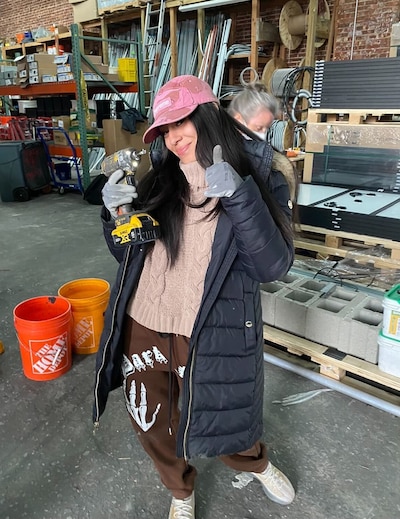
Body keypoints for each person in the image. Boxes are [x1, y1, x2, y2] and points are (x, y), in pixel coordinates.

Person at [94, 75, 296, 519]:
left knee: (225, 412)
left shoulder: (264, 175)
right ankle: (180, 491)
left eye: (181, 121)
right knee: (154, 422)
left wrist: (240, 196)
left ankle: (255, 463)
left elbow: (272, 267)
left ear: (207, 115)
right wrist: (116, 216)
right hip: (144, 322)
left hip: (208, 328)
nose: (174, 137)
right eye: (165, 129)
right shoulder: (158, 180)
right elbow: (127, 253)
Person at [227, 81, 297, 203]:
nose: (263, 134)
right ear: (238, 120)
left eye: (267, 129)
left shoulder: (273, 167)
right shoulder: (225, 159)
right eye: (259, 128)